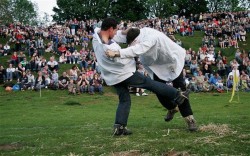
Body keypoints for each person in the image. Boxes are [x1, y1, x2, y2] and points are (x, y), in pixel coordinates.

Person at [92, 18, 190, 136]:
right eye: (115, 30)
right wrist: (129, 57)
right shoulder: (110, 48)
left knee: (124, 99)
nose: (116, 33)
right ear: (110, 29)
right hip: (124, 73)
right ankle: (178, 95)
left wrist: (125, 32)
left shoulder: (96, 37)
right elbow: (124, 58)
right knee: (150, 84)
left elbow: (110, 35)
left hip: (111, 76)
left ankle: (119, 127)